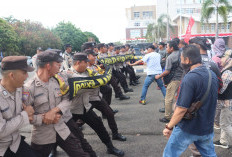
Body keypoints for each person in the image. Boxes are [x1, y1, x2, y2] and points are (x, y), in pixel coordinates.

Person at [23, 50, 96, 157]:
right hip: (43, 135)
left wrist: (54, 111)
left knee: (81, 154)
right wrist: (43, 118)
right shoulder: (28, 88)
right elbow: (26, 116)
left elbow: (67, 99)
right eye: (58, 65)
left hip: (62, 129)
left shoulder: (58, 80)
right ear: (48, 66)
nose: (60, 67)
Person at [163, 45, 218, 157]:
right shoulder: (212, 74)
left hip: (188, 128)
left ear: (187, 60)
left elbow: (181, 109)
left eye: (182, 60)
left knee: (169, 154)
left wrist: (169, 126)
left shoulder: (190, 78)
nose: (181, 63)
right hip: (206, 128)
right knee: (210, 155)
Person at [66, 53, 125, 157]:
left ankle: (110, 147)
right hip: (71, 110)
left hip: (85, 107)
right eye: (86, 62)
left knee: (100, 127)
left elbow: (101, 78)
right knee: (60, 132)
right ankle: (53, 150)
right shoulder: (66, 74)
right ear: (78, 62)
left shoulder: (89, 71)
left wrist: (104, 71)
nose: (88, 65)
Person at [0, 56, 38, 157]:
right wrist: (25, 115)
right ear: (12, 75)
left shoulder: (20, 89)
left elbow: (29, 105)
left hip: (15, 142)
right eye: (24, 73)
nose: (27, 76)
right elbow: (1, 131)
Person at [155, 40, 183, 123]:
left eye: (167, 47)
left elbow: (167, 71)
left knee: (168, 99)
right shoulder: (182, 53)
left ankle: (168, 117)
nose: (166, 48)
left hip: (173, 80)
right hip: (182, 78)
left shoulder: (171, 57)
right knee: (179, 98)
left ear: (171, 48)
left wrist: (159, 76)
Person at [214, 50, 232, 149]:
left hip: (227, 103)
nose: (221, 59)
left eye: (223, 56)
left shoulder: (228, 71)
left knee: (225, 125)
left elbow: (220, 90)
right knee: (226, 123)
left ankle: (224, 141)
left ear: (229, 59)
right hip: (229, 102)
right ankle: (223, 141)